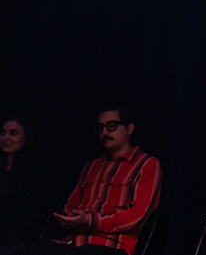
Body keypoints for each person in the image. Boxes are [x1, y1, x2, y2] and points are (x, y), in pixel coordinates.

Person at [51, 105, 162, 255]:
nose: (104, 132)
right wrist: (71, 218)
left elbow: (138, 215)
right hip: (73, 242)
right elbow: (71, 205)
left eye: (111, 126)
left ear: (129, 129)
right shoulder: (91, 166)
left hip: (111, 247)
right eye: (100, 127)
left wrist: (91, 220)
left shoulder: (146, 164)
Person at [0, 115, 49, 247]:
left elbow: (28, 218)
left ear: (26, 136)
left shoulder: (34, 172)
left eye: (13, 133)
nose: (5, 138)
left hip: (17, 240)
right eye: (3, 132)